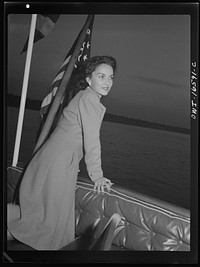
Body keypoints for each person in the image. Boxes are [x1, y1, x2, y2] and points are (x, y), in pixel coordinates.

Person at [7, 55, 117, 250]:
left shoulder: (87, 97)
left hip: (58, 159)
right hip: (57, 161)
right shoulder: (89, 99)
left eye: (111, 77)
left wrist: (74, 163)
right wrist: (97, 176)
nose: (107, 82)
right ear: (89, 79)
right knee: (49, 222)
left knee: (47, 218)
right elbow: (92, 141)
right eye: (101, 76)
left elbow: (75, 137)